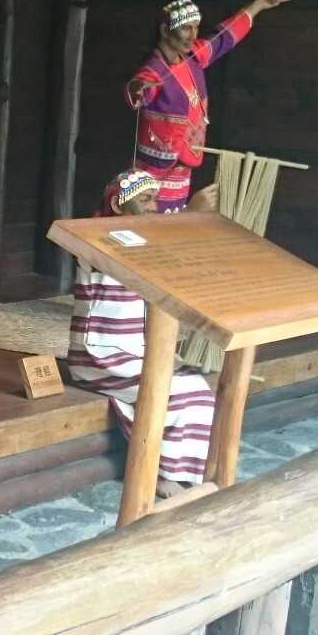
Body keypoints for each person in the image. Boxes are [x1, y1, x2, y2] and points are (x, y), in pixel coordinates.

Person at [65, 170, 220, 497]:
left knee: (197, 388)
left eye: (156, 200)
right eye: (145, 200)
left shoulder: (145, 241)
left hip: (135, 352)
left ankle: (181, 471)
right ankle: (165, 474)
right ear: (118, 206)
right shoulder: (97, 238)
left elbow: (159, 248)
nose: (153, 207)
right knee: (171, 391)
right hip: (100, 356)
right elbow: (142, 247)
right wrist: (190, 214)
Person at [126, 0, 293, 211]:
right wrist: (138, 89)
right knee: (153, 225)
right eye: (186, 28)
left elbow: (224, 36)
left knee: (175, 225)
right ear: (165, 31)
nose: (193, 35)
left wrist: (257, 5)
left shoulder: (193, 58)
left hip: (182, 173)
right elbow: (140, 86)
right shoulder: (154, 70)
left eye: (196, 27)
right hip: (151, 176)